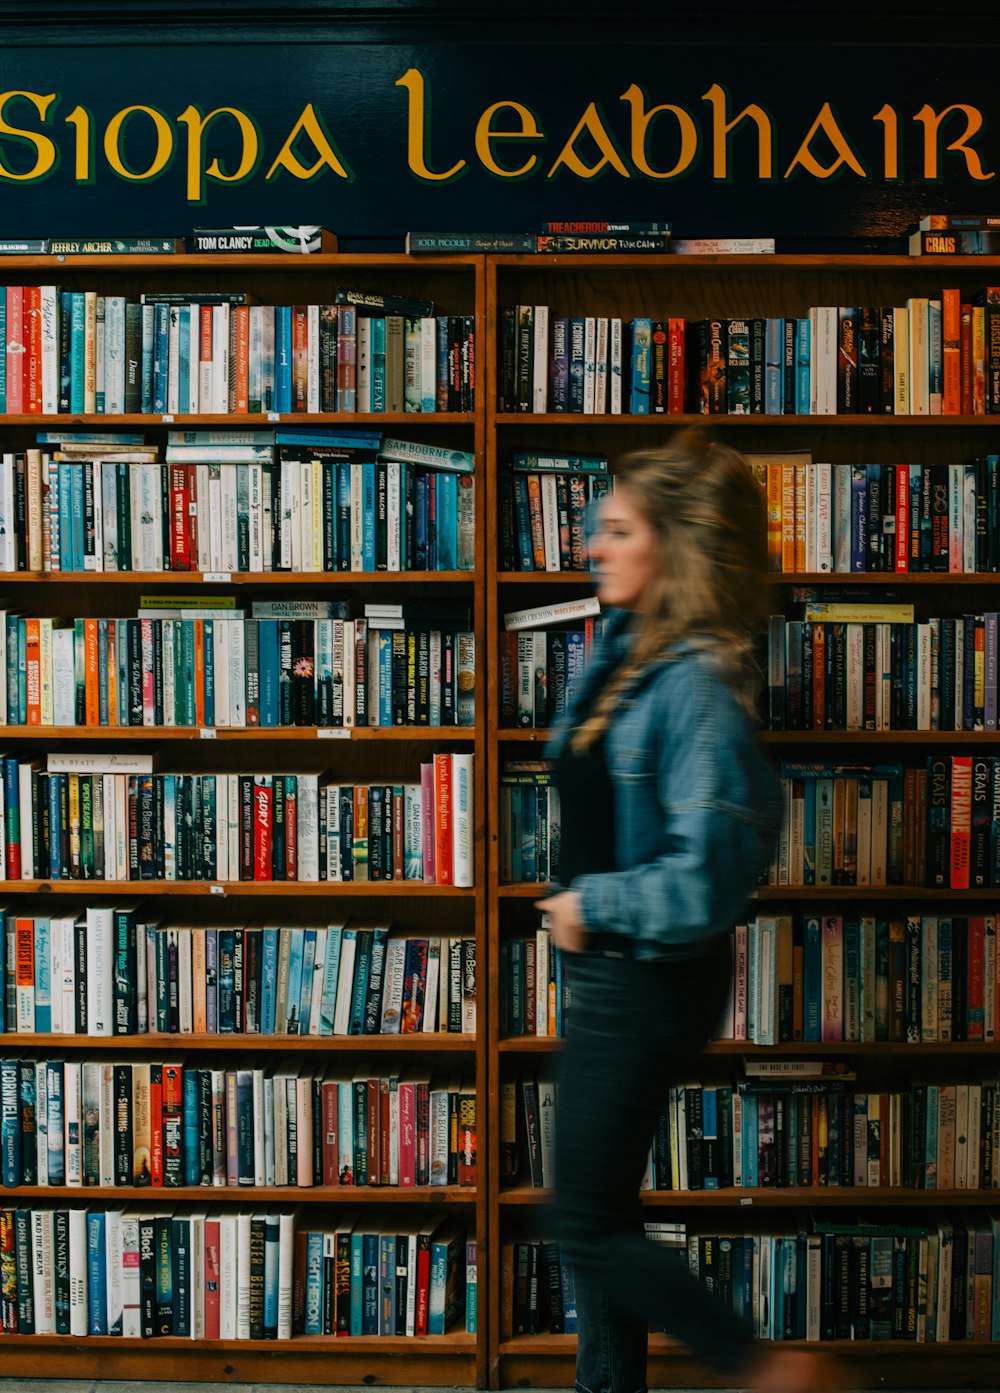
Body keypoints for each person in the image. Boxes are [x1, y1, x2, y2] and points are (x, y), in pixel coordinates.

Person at [539, 430, 840, 1393]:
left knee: (580, 1217)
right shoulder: (624, 645)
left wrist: (593, 899)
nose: (593, 543)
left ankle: (764, 1364)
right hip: (610, 971)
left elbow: (705, 882)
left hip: (647, 975)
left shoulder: (699, 685)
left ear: (674, 546)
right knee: (601, 1218)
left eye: (618, 529)